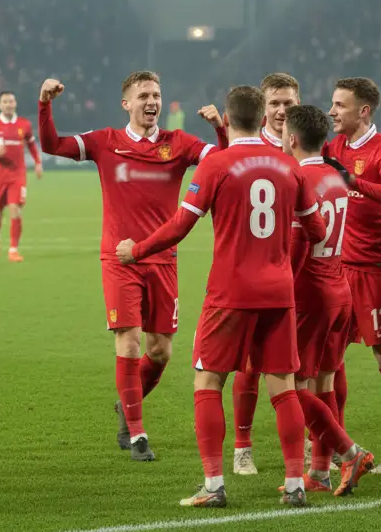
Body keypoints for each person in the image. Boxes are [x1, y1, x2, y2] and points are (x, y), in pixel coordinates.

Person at [115, 85, 326, 507]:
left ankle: (213, 486)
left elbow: (179, 225)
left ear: (227, 123)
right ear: (263, 119)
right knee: (283, 386)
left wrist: (135, 251)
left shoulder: (217, 166)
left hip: (230, 291)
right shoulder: (290, 168)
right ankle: (295, 484)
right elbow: (317, 231)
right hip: (279, 292)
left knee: (208, 381)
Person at [37, 72, 226, 462]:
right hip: (120, 257)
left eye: (156, 94)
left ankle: (127, 403)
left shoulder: (179, 144)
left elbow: (223, 163)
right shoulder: (106, 142)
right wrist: (44, 104)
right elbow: (51, 144)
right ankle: (137, 434)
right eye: (143, 95)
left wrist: (220, 129)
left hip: (162, 258)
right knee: (129, 341)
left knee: (160, 352)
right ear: (127, 104)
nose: (151, 101)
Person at [283, 104, 376, 495]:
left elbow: (298, 243)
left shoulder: (297, 179)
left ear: (291, 138)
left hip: (310, 294)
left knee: (291, 384)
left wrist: (280, 283)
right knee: (324, 381)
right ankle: (320, 472)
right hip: (341, 289)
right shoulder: (338, 177)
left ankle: (349, 453)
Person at [324, 77, 381, 474]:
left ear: (363, 111)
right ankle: (335, 445)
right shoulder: (334, 147)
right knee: (329, 356)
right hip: (340, 270)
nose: (331, 111)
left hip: (379, 271)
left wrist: (354, 182)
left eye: (339, 105)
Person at [233, 72, 304, 474]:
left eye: (288, 104)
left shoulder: (307, 147)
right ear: (262, 106)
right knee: (249, 365)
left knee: (306, 368)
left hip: (300, 275)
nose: (281, 111)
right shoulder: (246, 146)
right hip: (255, 273)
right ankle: (243, 445)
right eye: (275, 103)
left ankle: (313, 447)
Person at [0, 91, 43, 262]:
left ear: (15, 103)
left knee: (15, 210)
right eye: (4, 101)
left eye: (11, 101)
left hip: (17, 174)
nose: (8, 104)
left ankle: (13, 250)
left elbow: (32, 145)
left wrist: (37, 162)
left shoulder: (24, 124)